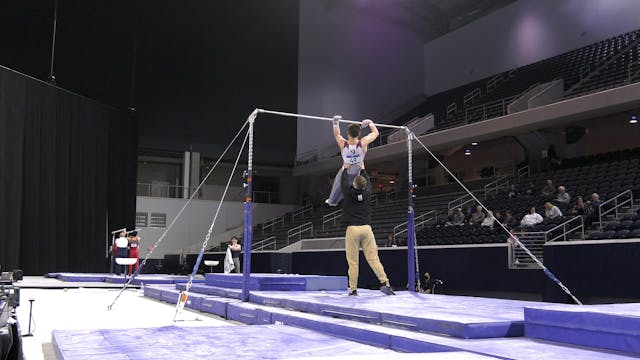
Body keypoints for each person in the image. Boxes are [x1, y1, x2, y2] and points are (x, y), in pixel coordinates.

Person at [340, 163, 394, 296]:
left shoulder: (348, 193)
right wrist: (363, 169)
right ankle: (385, 283)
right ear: (364, 186)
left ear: (354, 184)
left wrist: (345, 168)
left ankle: (353, 289)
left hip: (353, 229)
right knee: (373, 258)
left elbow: (343, 182)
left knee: (353, 262)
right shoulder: (368, 193)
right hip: (366, 229)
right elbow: (368, 182)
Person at [325, 116, 379, 206]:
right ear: (359, 134)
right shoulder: (363, 143)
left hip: (345, 170)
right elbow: (375, 133)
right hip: (357, 172)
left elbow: (337, 135)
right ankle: (336, 201)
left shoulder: (343, 144)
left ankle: (332, 201)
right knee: (350, 189)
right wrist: (370, 122)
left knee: (337, 186)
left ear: (347, 133)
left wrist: (335, 123)